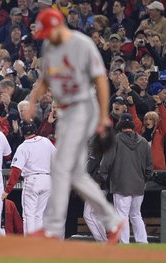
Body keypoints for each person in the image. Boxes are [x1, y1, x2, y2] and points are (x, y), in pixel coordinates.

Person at [28, 8, 123, 244]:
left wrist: (103, 117)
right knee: (74, 173)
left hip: (84, 108)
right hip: (66, 113)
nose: (48, 37)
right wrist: (32, 100)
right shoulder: (49, 47)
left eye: (50, 32)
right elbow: (46, 79)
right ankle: (112, 221)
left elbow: (101, 80)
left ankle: (52, 229)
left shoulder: (82, 44)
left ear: (60, 26)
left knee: (59, 166)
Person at [98, 113, 153, 244]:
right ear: (132, 125)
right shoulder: (144, 142)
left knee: (122, 215)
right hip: (138, 185)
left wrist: (101, 176)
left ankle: (124, 244)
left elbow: (106, 162)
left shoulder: (115, 140)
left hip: (121, 184)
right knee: (136, 214)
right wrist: (144, 179)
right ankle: (143, 242)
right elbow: (149, 166)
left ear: (120, 124)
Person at [2, 119, 56, 235]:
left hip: (33, 180)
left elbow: (16, 171)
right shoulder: (46, 141)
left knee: (29, 215)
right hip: (47, 179)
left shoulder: (23, 147)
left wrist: (7, 190)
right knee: (39, 215)